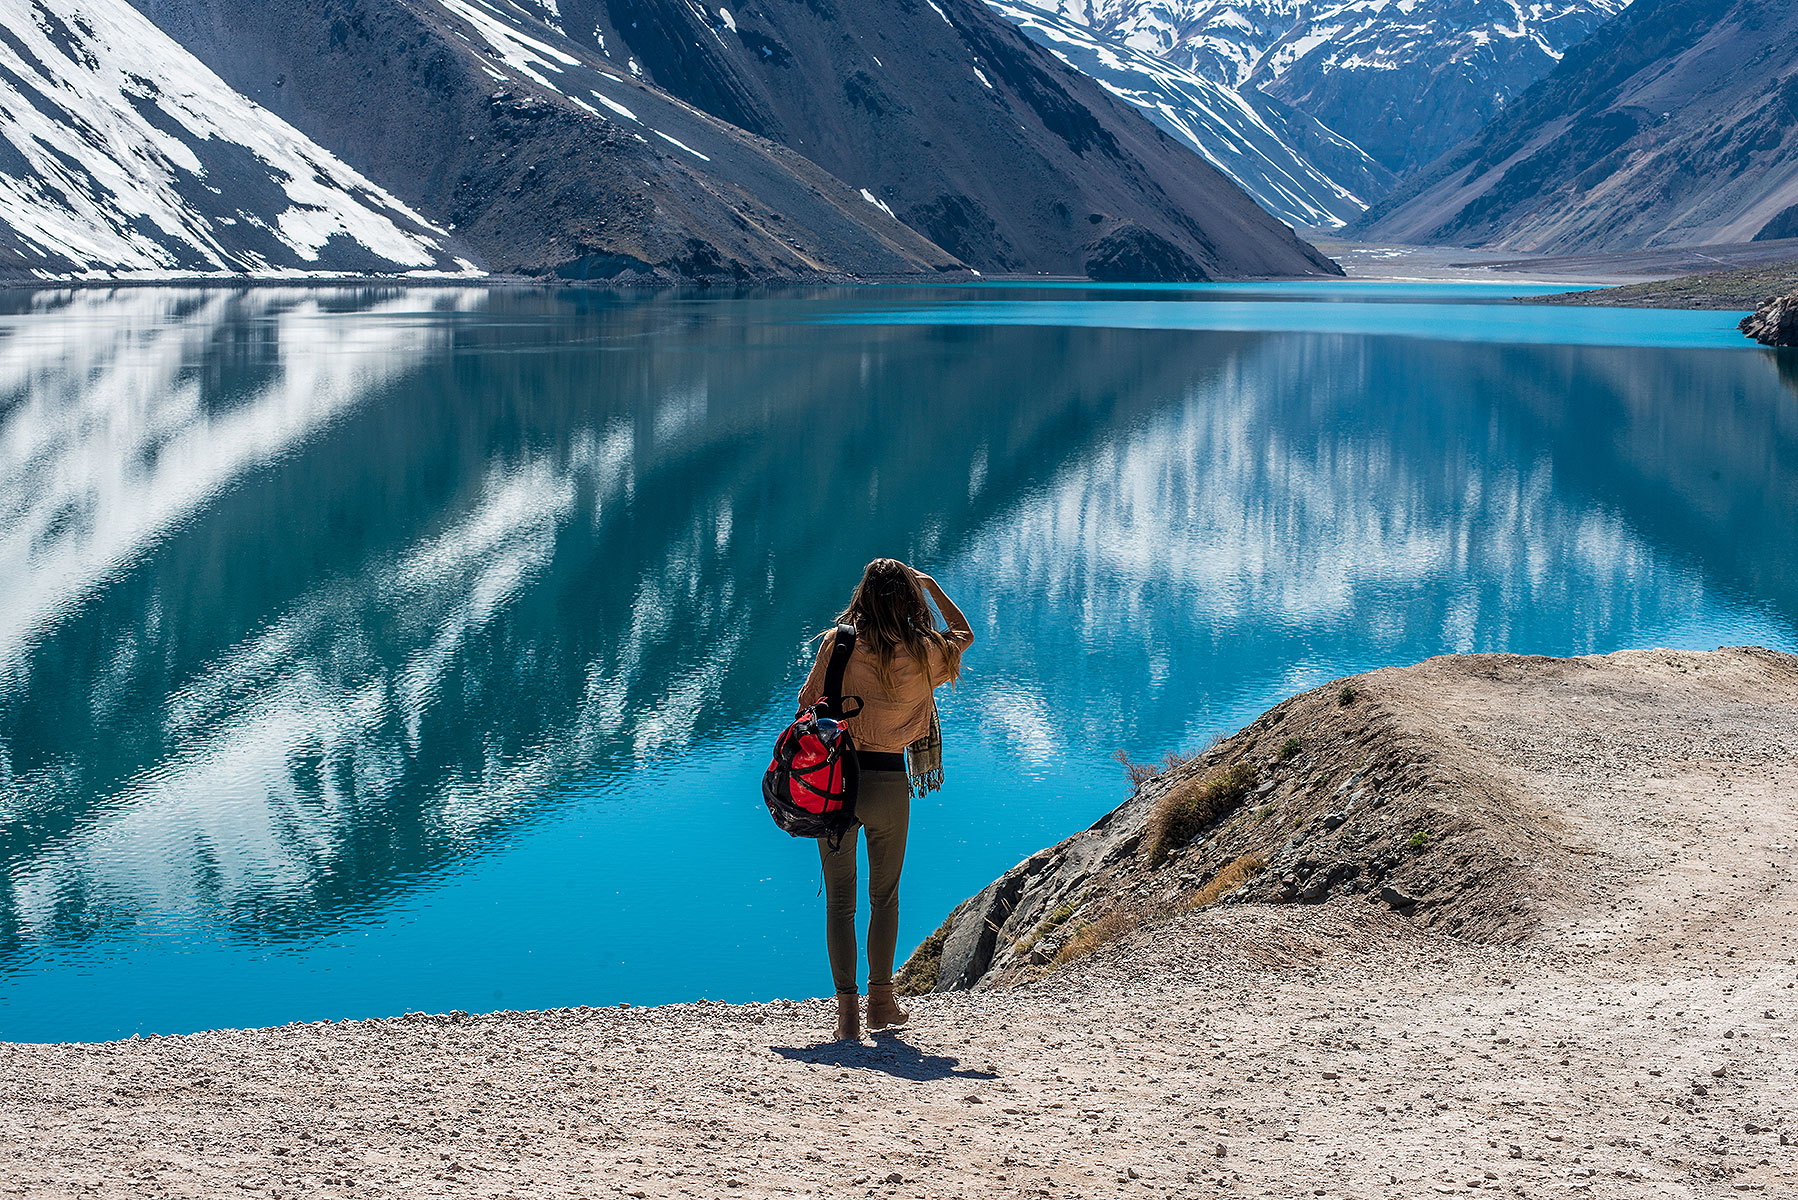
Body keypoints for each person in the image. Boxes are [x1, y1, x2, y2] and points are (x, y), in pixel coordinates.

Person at [797, 559, 973, 1041]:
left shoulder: (840, 643)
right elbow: (964, 634)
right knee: (885, 897)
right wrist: (933, 587)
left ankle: (847, 1014)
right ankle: (881, 1003)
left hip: (837, 784)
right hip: (891, 784)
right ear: (909, 601)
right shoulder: (924, 652)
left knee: (839, 900)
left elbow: (807, 705)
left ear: (863, 596)